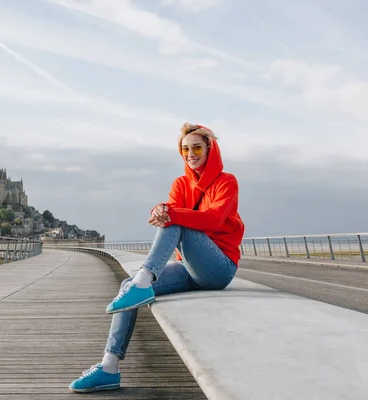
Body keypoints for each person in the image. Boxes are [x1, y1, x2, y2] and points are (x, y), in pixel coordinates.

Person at [69, 122, 245, 393]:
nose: (190, 153)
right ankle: (109, 367)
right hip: (188, 269)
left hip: (218, 268)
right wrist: (160, 208)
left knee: (177, 221)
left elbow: (212, 219)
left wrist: (170, 213)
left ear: (210, 149)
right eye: (185, 149)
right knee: (126, 286)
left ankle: (144, 280)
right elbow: (170, 211)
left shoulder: (227, 181)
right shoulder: (181, 183)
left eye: (197, 147)